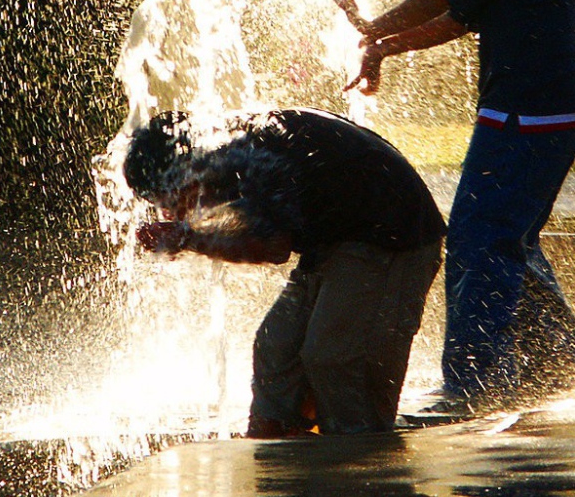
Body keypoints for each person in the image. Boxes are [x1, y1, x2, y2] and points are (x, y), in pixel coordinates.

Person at [336, 0, 575, 413]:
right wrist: (379, 39)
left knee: (480, 240)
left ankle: (472, 385)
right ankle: (557, 364)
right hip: (547, 110)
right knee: (509, 237)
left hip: (527, 115)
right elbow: (457, 14)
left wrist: (374, 32)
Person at [124, 107, 445, 436]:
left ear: (185, 171)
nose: (168, 211)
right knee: (274, 348)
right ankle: (276, 438)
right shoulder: (228, 148)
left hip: (394, 237)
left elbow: (272, 246)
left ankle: (359, 453)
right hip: (340, 238)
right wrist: (192, 234)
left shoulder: (249, 159)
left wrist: (187, 238)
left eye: (166, 198)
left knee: (333, 357)